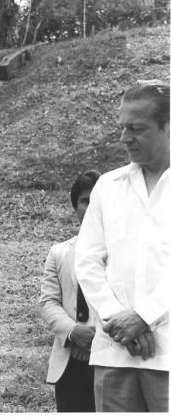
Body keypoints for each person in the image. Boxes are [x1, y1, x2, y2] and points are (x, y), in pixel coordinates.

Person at [75, 80, 170, 412]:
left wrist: (144, 316)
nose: (124, 137)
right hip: (116, 349)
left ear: (167, 126)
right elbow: (86, 260)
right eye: (122, 127)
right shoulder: (108, 186)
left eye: (137, 128)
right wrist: (119, 319)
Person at [39, 170, 101, 412]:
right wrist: (74, 332)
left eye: (98, 201)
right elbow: (48, 302)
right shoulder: (59, 253)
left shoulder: (123, 254)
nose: (91, 207)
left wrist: (97, 339)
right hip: (70, 361)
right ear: (76, 206)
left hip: (112, 358)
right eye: (85, 201)